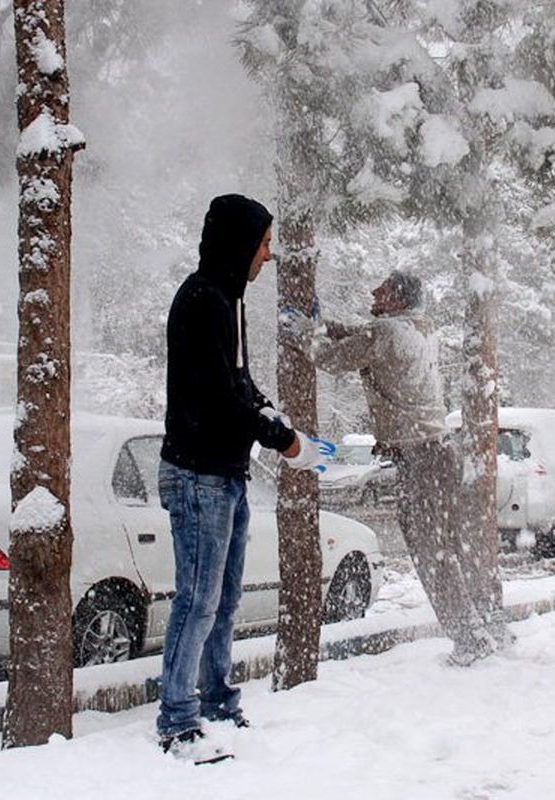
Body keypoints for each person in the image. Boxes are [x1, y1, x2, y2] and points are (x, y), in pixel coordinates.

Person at [156, 194, 330, 757]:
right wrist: (281, 439)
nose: (269, 256)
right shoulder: (202, 300)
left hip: (225, 474)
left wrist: (275, 415)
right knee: (198, 599)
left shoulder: (227, 299)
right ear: (239, 244)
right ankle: (178, 721)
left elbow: (239, 385)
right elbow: (214, 397)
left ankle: (216, 702)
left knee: (225, 598)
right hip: (198, 474)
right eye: (264, 244)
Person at [286, 271, 507, 666]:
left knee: (431, 553)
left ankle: (471, 641)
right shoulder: (419, 328)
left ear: (397, 300)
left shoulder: (387, 334)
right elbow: (361, 332)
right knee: (453, 547)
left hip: (421, 458)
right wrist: (322, 324)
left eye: (382, 290)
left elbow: (330, 358)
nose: (373, 292)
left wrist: (303, 332)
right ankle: (488, 626)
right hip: (439, 454)